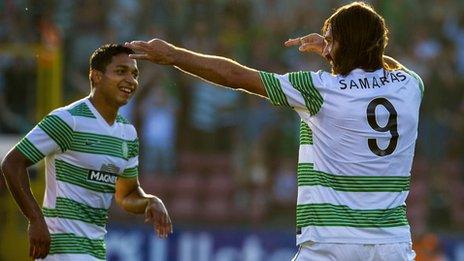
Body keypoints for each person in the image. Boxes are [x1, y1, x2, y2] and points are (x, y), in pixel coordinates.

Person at [126, 2, 423, 260]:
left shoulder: (319, 89)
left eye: (330, 41)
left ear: (345, 45)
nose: (326, 48)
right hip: (391, 243)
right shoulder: (411, 86)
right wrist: (338, 49)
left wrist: (174, 55)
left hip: (332, 243)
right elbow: (386, 65)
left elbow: (235, 76)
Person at [0, 44, 172, 260]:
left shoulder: (128, 133)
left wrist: (149, 201)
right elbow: (12, 163)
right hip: (59, 250)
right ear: (96, 77)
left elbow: (126, 194)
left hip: (95, 251)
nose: (131, 80)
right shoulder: (68, 120)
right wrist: (35, 219)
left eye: (135, 74)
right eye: (121, 71)